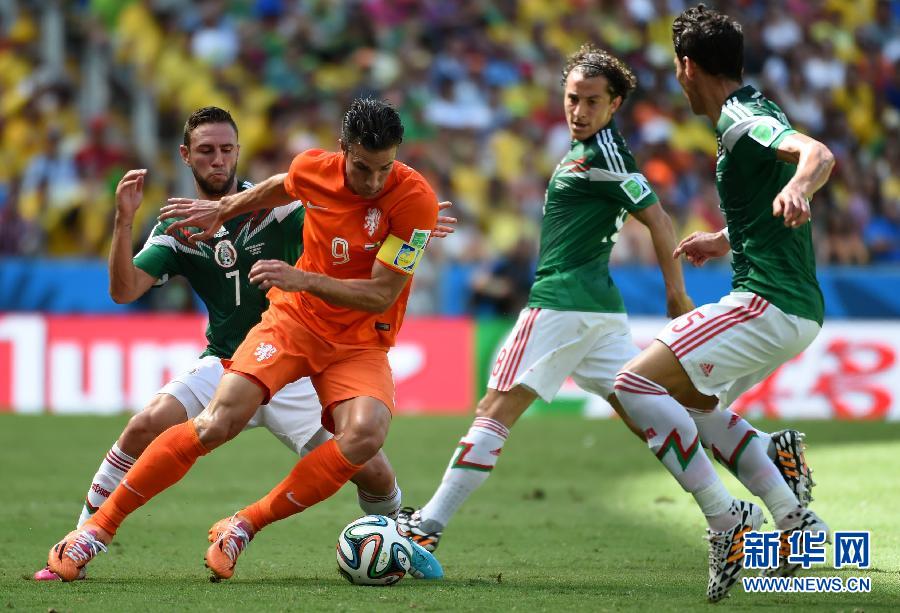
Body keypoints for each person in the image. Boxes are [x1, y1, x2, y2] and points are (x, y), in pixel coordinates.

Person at [396, 43, 813, 558]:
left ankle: (426, 526)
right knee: (662, 411)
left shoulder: (603, 154)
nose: (580, 111)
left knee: (494, 409)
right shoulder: (590, 152)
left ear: (614, 105)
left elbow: (658, 220)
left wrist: (676, 294)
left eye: (593, 102)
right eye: (573, 99)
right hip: (599, 314)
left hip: (560, 303)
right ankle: (767, 457)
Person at [44, 99, 445, 581]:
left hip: (358, 341)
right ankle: (95, 530)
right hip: (287, 328)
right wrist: (221, 210)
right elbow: (284, 184)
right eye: (362, 167)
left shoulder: (412, 200)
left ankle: (253, 525)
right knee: (212, 421)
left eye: (384, 168)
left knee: (365, 443)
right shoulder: (306, 174)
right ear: (343, 151)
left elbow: (381, 291)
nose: (373, 181)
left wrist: (305, 276)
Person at [611, 5, 834, 602]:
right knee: (697, 411)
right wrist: (726, 236)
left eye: (676, 68)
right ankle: (795, 516)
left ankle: (724, 517)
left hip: (768, 301)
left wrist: (798, 183)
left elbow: (818, 154)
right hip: (793, 308)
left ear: (687, 66)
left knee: (632, 388)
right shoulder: (753, 111)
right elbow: (772, 188)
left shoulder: (741, 116)